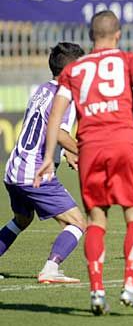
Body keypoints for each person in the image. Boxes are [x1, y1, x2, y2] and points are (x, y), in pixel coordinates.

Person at [34, 11, 133, 316]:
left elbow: (56, 112)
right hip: (125, 143)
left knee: (97, 221)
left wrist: (49, 157)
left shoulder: (75, 70)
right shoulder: (129, 59)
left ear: (91, 37)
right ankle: (129, 285)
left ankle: (97, 291)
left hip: (90, 149)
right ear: (118, 34)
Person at [0, 42, 86, 283]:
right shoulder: (64, 95)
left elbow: (46, 128)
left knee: (22, 220)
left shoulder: (43, 89)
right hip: (35, 174)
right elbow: (58, 132)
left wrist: (66, 152)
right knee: (77, 222)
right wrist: (83, 152)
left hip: (14, 170)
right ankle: (51, 269)